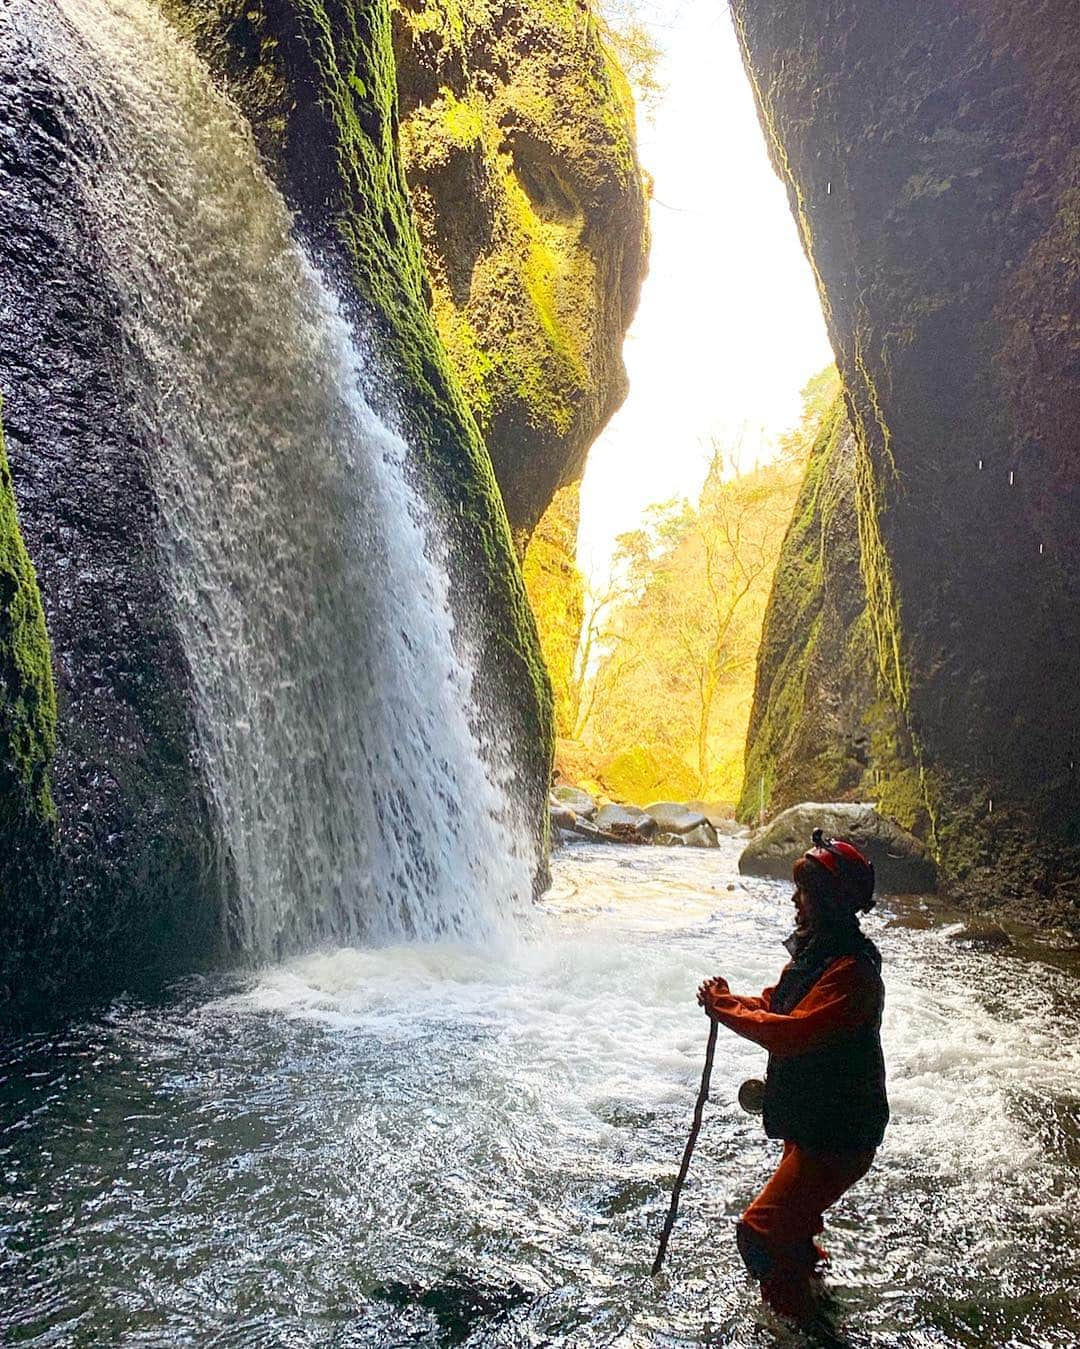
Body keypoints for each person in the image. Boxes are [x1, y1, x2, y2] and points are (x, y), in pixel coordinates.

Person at [697, 830, 888, 1324]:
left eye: (804, 892)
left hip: (838, 1136)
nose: (795, 900)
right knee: (793, 1229)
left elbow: (791, 1034)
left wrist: (725, 1010)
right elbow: (773, 1005)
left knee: (760, 1232)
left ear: (828, 901)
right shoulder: (820, 955)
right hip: (815, 1122)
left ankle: (802, 1329)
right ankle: (813, 1294)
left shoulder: (854, 973)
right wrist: (727, 1001)